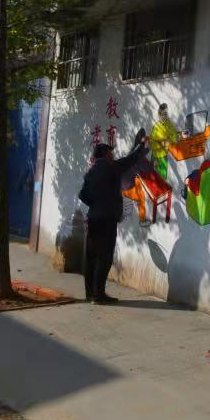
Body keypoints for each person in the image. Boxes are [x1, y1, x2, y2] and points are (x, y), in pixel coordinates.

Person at [79, 129, 149, 304]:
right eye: (111, 152)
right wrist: (142, 144)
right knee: (105, 257)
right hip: (107, 220)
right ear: (106, 154)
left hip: (93, 219)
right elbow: (131, 159)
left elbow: (83, 195)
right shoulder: (112, 167)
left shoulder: (91, 172)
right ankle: (99, 295)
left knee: (92, 256)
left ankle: (90, 294)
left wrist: (96, 205)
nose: (113, 154)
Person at [150, 103, 179, 180]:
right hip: (155, 157)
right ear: (159, 114)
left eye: (165, 114)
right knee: (153, 179)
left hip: (163, 157)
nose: (164, 116)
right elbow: (151, 143)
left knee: (162, 179)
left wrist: (169, 141)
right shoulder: (156, 127)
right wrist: (161, 144)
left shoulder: (168, 124)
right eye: (161, 114)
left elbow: (175, 135)